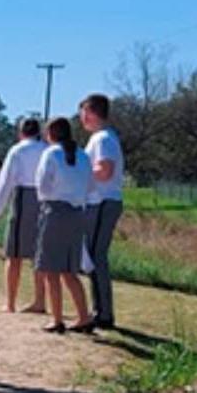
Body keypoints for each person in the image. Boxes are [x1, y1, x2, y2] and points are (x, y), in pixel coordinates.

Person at [32, 117, 95, 335]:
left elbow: (42, 185)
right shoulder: (84, 156)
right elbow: (90, 185)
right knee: (70, 270)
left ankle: (57, 319)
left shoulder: (51, 154)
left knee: (51, 269)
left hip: (55, 211)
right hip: (77, 213)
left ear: (51, 134)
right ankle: (83, 316)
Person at [0, 117, 49, 314]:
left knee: (14, 254)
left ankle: (10, 302)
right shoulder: (46, 149)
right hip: (45, 199)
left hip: (24, 196)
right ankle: (40, 300)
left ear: (21, 132)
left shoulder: (17, 150)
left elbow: (5, 182)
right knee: (39, 255)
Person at [79, 93, 124, 330]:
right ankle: (100, 309)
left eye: (83, 113)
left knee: (96, 257)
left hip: (103, 201)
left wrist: (79, 174)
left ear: (90, 112)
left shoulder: (102, 139)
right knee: (95, 257)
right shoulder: (103, 138)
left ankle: (104, 313)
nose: (82, 119)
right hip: (103, 201)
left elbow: (105, 170)